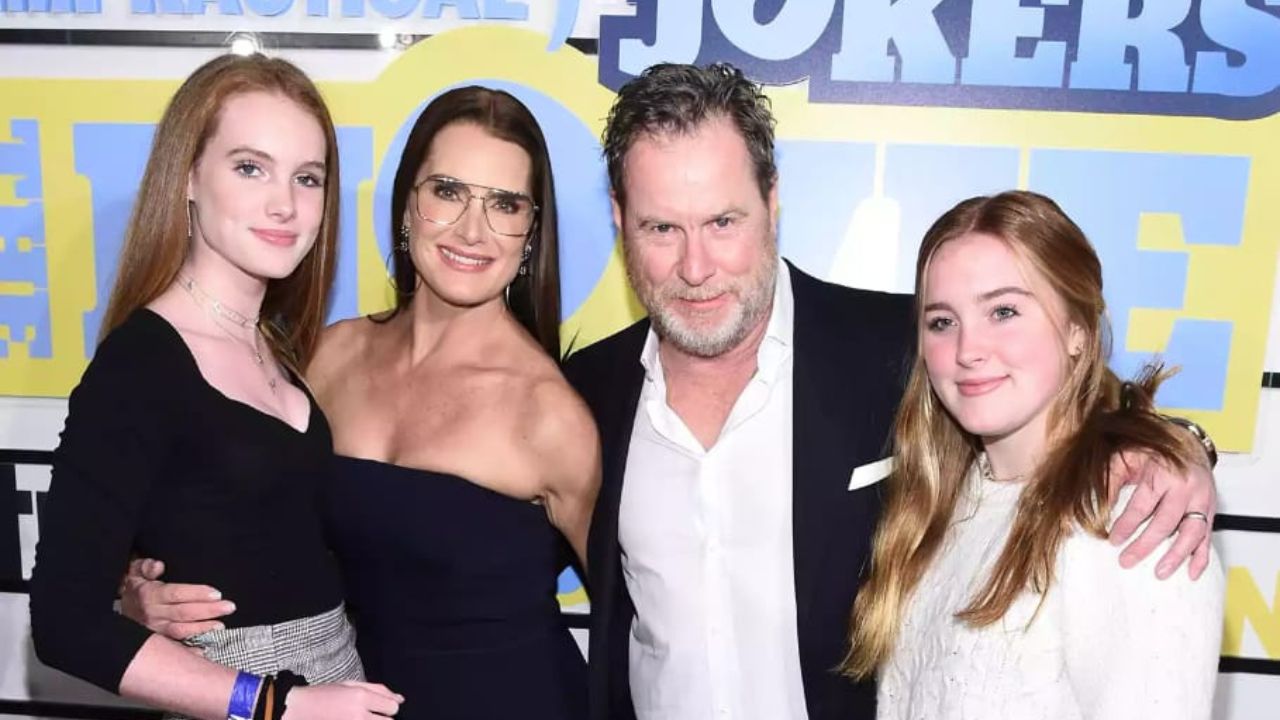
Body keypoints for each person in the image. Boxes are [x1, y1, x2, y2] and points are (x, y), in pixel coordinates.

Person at [560, 63, 1219, 720]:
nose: (696, 267)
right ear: (620, 220)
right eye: (661, 228)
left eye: (723, 222)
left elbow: (1052, 397)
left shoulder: (908, 349)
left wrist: (1174, 447)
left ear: (773, 198)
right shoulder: (586, 393)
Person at [118, 86, 600, 720]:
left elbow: (632, 620)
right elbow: (237, 524)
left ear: (530, 232)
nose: (472, 230)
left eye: (505, 204)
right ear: (407, 204)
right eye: (448, 192)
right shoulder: (326, 358)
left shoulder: (551, 413)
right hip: (338, 701)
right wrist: (140, 596)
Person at [28, 54, 402, 720]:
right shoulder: (140, 364)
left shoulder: (278, 348)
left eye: (308, 178)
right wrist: (274, 706)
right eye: (250, 167)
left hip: (340, 680)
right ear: (190, 177)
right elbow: (63, 625)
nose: (285, 203)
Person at [844, 190, 1223, 718]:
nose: (968, 349)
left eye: (1003, 311)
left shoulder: (1134, 516)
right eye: (942, 321)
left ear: (1076, 329)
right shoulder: (943, 503)